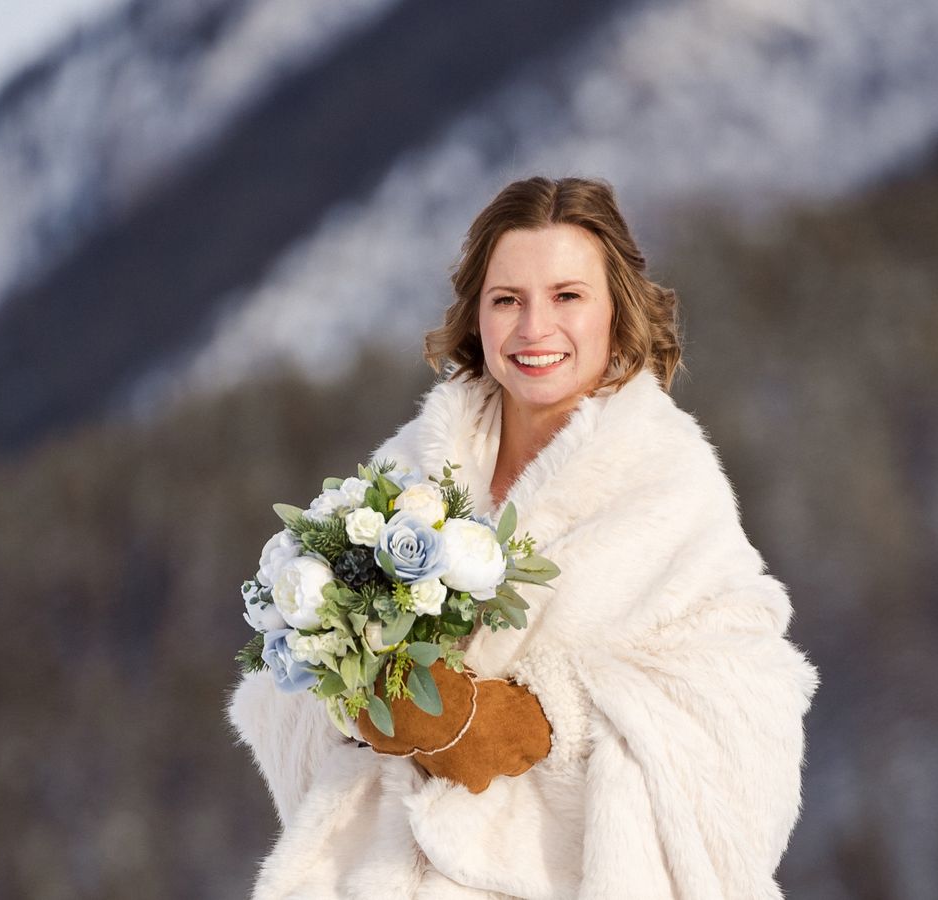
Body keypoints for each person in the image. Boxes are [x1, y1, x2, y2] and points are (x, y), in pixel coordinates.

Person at [227, 175, 820, 899]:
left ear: (616, 310)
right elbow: (281, 690)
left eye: (567, 296)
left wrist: (530, 719)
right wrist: (361, 697)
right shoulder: (409, 467)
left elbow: (745, 704)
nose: (535, 328)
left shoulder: (668, 480)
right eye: (507, 300)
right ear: (476, 316)